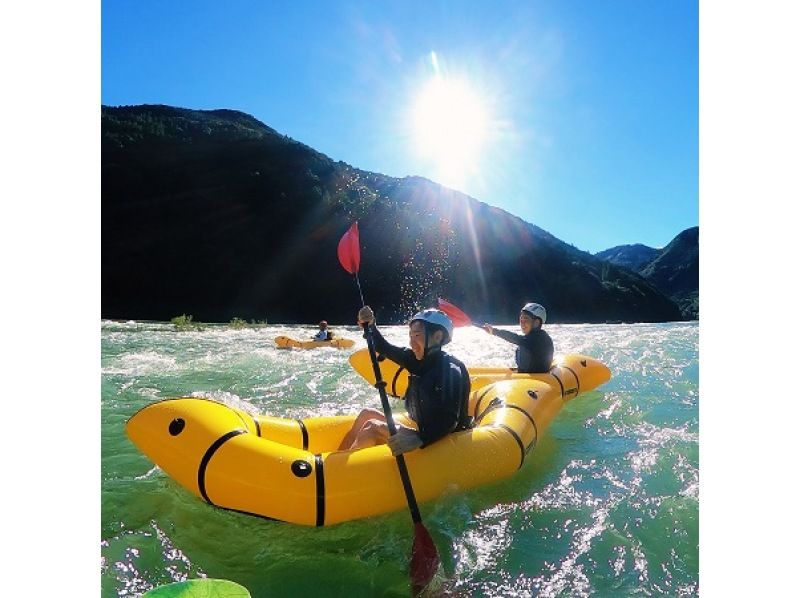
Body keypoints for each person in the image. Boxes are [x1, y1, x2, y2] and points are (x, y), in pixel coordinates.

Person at [338, 306, 471, 455]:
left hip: (444, 439)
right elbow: (384, 347)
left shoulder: (450, 371)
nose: (412, 343)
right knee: (367, 414)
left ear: (438, 337)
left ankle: (342, 467)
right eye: (410, 336)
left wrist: (419, 439)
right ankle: (337, 458)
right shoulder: (416, 360)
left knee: (373, 427)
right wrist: (371, 327)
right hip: (424, 432)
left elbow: (449, 420)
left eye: (417, 335)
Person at [483, 302, 554, 373]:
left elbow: (516, 338)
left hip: (536, 378)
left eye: (526, 319)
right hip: (527, 375)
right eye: (521, 319)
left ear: (536, 323)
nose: (522, 323)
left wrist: (494, 331)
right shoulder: (531, 338)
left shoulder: (540, 338)